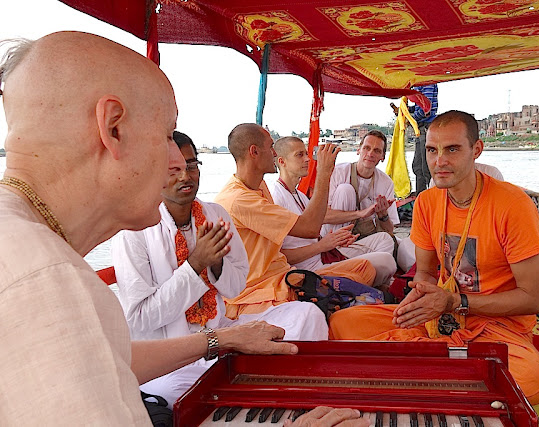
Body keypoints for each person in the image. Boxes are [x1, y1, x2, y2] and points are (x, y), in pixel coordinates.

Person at [0, 33, 365, 426]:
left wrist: (220, 336)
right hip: (178, 371)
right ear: (113, 128)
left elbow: (114, 358)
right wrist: (196, 265)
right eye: (164, 136)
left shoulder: (35, 248)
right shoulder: (42, 281)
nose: (177, 164)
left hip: (213, 336)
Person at [328, 110, 539, 405]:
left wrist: (457, 303)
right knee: (344, 323)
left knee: (533, 378)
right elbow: (425, 273)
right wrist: (419, 296)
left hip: (495, 325)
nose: (439, 161)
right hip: (439, 316)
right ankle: (444, 371)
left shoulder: (513, 204)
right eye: (432, 150)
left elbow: (533, 298)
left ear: (477, 150)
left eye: (452, 149)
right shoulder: (427, 202)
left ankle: (416, 369)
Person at [112, 131, 328, 407]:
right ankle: (265, 389)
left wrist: (217, 265)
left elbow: (236, 287)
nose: (185, 177)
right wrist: (196, 264)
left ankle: (263, 388)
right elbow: (141, 319)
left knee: (306, 314)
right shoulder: (133, 231)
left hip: (224, 333)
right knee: (174, 392)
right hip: (174, 359)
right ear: (151, 173)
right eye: (173, 170)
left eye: (191, 166)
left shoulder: (215, 215)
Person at [215, 124, 377, 318]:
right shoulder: (239, 199)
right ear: (254, 152)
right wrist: (324, 173)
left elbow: (311, 227)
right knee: (323, 309)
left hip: (287, 274)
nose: (274, 152)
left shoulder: (259, 186)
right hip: (260, 291)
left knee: (365, 269)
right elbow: (310, 228)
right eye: (271, 146)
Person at [272, 136, 396, 288]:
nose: (307, 159)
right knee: (386, 262)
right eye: (300, 155)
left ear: (382, 156)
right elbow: (278, 258)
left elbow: (314, 232)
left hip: (326, 254)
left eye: (306, 154)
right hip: (312, 270)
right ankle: (369, 285)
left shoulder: (300, 196)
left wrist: (335, 240)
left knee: (385, 240)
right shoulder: (276, 198)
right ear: (282, 162)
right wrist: (323, 245)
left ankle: (367, 284)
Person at [322, 130, 399, 237]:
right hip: (333, 236)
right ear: (358, 150)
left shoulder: (386, 182)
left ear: (383, 157)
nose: (370, 154)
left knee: (387, 239)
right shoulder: (339, 172)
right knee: (345, 190)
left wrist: (383, 215)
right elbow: (323, 216)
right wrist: (360, 214)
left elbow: (390, 230)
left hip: (362, 235)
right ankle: (337, 248)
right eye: (367, 148)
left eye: (376, 151)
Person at [409, 84, 438, 195]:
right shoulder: (417, 85)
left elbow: (426, 109)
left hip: (427, 127)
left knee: (426, 167)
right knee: (417, 166)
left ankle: (433, 195)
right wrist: (407, 110)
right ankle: (420, 195)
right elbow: (418, 106)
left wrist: (411, 119)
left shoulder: (428, 83)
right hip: (419, 128)